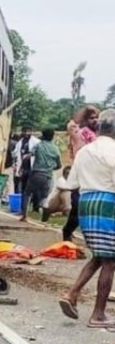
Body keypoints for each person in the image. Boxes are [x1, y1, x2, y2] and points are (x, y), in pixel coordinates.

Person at [59, 109, 115, 328]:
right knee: (110, 260)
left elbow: (71, 183)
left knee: (100, 256)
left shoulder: (84, 151)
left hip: (85, 204)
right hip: (107, 204)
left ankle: (71, 294)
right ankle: (98, 315)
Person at [62, 106, 100, 241]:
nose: (95, 120)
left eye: (97, 118)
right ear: (85, 119)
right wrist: (87, 109)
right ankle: (67, 232)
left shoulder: (100, 135)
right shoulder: (80, 133)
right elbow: (72, 124)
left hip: (96, 177)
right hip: (81, 176)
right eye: (91, 118)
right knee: (78, 208)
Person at [20, 129, 62, 221]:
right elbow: (59, 165)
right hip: (48, 176)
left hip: (36, 173)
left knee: (27, 193)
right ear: (52, 137)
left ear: (43, 136)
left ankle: (24, 216)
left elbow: (28, 155)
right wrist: (50, 168)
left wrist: (23, 164)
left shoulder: (39, 145)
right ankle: (45, 209)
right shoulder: (55, 148)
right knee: (44, 196)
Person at [12, 126, 39, 196]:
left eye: (29, 131)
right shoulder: (20, 142)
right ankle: (23, 199)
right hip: (23, 168)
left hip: (32, 167)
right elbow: (15, 153)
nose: (27, 133)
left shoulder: (36, 142)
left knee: (32, 186)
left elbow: (38, 153)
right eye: (25, 131)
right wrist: (15, 164)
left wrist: (30, 155)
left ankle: (30, 199)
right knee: (23, 185)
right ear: (22, 132)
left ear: (31, 132)